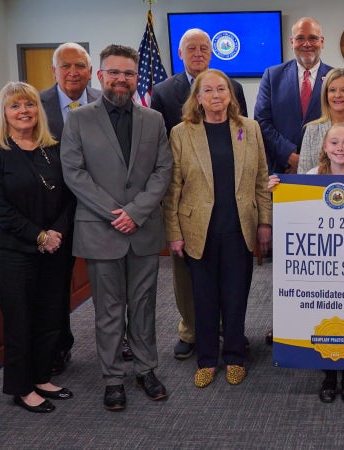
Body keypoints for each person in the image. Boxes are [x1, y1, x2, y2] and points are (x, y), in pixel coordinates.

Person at [60, 44, 173, 411]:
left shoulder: (153, 119)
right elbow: (74, 173)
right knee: (108, 310)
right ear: (100, 75)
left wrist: (135, 212)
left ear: (136, 77)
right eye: (114, 72)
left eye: (128, 73)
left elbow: (163, 170)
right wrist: (115, 213)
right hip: (101, 230)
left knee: (143, 306)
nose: (121, 79)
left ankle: (146, 369)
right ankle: (112, 378)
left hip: (142, 230)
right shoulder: (78, 119)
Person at [163, 69, 271, 388]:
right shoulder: (181, 133)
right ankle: (207, 360)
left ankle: (235, 356)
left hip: (240, 227)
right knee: (204, 298)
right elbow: (173, 187)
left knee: (236, 296)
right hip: (198, 230)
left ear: (230, 94)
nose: (216, 95)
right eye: (208, 90)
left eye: (221, 89)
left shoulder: (249, 128)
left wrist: (265, 222)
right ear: (197, 98)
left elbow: (261, 179)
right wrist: (174, 233)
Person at [0, 81, 76, 413]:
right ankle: (22, 388)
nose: (24, 111)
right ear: (4, 113)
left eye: (30, 104)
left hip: (54, 247)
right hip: (13, 250)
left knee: (51, 316)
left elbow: (69, 197)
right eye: (15, 106)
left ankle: (42, 376)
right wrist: (40, 236)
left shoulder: (51, 147)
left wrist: (56, 233)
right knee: (20, 318)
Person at [151, 28, 248, 361]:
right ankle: (191, 330)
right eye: (191, 48)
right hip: (189, 200)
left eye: (204, 47)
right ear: (180, 53)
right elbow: (162, 148)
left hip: (229, 203)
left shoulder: (232, 86)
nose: (198, 52)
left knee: (230, 276)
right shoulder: (163, 92)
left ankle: (228, 331)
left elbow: (243, 140)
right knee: (189, 277)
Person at [269, 124, 344, 402]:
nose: (340, 148)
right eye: (334, 142)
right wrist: (278, 189)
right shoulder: (311, 177)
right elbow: (297, 210)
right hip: (322, 266)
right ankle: (329, 376)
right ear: (324, 146)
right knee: (324, 317)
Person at [39, 42, 103, 375]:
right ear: (54, 71)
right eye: (65, 66)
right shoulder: (37, 105)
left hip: (100, 208)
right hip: (56, 213)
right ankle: (59, 346)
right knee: (56, 285)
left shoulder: (105, 101)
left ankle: (118, 340)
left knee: (110, 282)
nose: (73, 72)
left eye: (79, 66)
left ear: (90, 72)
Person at [255, 16, 333, 175]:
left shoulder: (336, 78)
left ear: (322, 42)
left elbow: (342, 123)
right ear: (292, 42)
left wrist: (310, 161)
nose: (307, 44)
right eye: (300, 38)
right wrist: (289, 156)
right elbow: (262, 121)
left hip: (325, 168)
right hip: (280, 169)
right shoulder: (272, 76)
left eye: (313, 38)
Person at [297, 68, 344, 174]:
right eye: (332, 90)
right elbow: (303, 174)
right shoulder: (312, 129)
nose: (337, 95)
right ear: (326, 95)